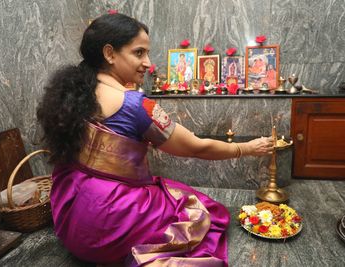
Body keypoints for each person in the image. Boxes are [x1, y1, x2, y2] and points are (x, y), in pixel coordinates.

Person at [36, 13, 274, 266]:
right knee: (203, 210)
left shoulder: (73, 95)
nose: (148, 63)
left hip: (71, 219)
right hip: (110, 224)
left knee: (163, 187)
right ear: (110, 54)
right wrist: (245, 148)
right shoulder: (135, 105)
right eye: (139, 53)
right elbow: (196, 147)